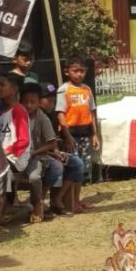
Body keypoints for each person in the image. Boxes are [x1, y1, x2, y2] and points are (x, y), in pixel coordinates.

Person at [0, 74, 31, 232]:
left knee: (0, 171)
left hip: (17, 157)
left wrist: (5, 153)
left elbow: (23, 141)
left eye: (2, 84)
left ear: (14, 90)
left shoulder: (18, 111)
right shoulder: (3, 114)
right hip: (6, 155)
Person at [20, 83, 64, 223]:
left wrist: (34, 153)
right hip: (16, 156)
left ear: (39, 103)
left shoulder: (42, 118)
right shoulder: (16, 116)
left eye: (33, 102)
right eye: (25, 102)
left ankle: (37, 202)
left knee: (34, 177)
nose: (29, 105)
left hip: (36, 156)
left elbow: (51, 142)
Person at [38, 82, 84, 216]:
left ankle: (57, 199)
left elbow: (54, 138)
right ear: (39, 100)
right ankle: (41, 200)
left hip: (52, 151)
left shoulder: (51, 114)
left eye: (54, 100)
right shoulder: (37, 116)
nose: (52, 103)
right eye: (49, 100)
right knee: (57, 166)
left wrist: (58, 150)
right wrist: (55, 152)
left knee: (77, 163)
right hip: (41, 152)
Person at [56, 57, 100, 194]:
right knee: (73, 167)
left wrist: (94, 134)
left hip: (84, 134)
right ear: (67, 71)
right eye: (75, 71)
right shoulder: (64, 90)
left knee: (83, 168)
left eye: (82, 71)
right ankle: (69, 200)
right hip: (71, 135)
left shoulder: (87, 90)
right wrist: (67, 136)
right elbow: (60, 114)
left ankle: (78, 200)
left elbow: (91, 113)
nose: (79, 74)